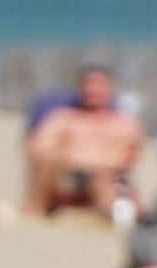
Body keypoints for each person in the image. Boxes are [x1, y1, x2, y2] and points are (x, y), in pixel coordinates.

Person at [23, 65, 142, 217]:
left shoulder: (125, 124)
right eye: (89, 84)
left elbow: (130, 159)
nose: (94, 90)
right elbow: (39, 148)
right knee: (49, 162)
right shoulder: (63, 118)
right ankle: (35, 210)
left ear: (111, 88)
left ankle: (111, 214)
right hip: (66, 177)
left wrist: (101, 168)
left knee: (108, 183)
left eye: (100, 85)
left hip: (107, 179)